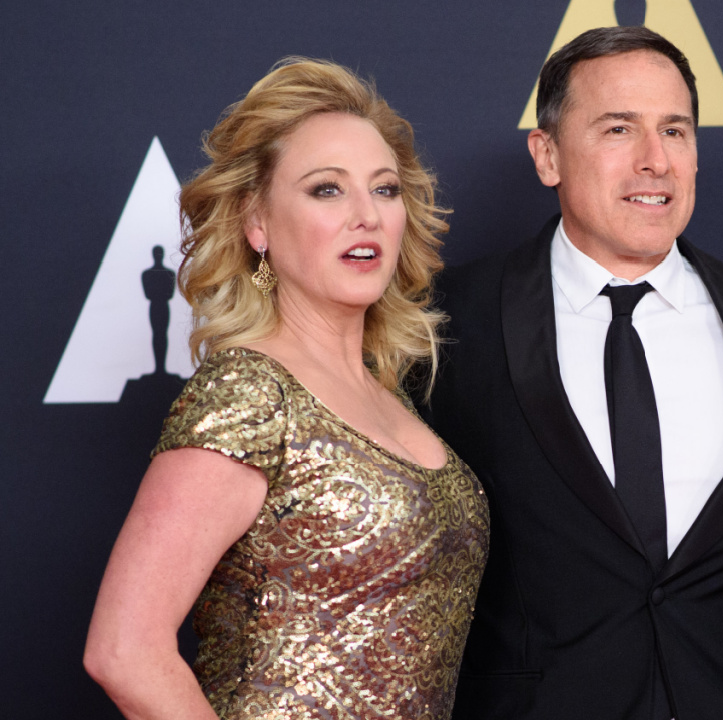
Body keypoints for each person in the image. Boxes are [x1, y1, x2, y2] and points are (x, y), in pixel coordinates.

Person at [418, 26, 723, 720]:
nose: (654, 160)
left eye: (676, 131)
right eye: (617, 129)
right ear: (547, 155)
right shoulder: (445, 324)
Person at [84, 58, 488, 720]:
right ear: (257, 223)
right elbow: (124, 649)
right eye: (327, 190)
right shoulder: (247, 394)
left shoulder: (392, 394)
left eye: (385, 190)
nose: (366, 215)